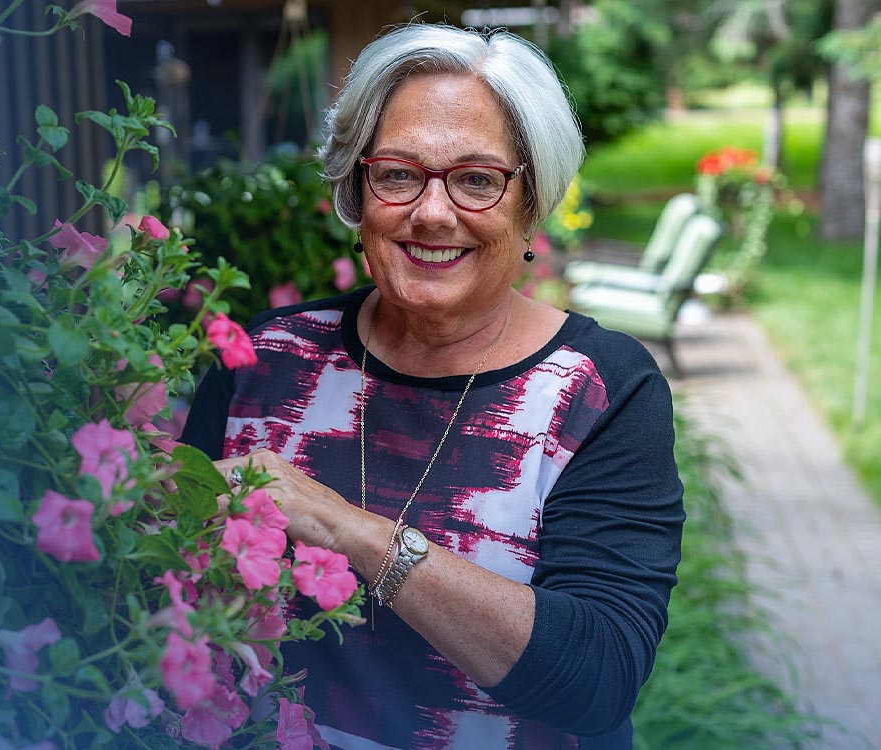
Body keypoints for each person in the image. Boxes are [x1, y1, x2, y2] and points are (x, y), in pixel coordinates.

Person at [179, 24, 683, 750]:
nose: (432, 212)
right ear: (358, 191)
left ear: (531, 203)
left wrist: (343, 528)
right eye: (397, 173)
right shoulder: (267, 358)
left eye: (477, 179)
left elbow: (597, 678)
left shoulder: (599, 391)